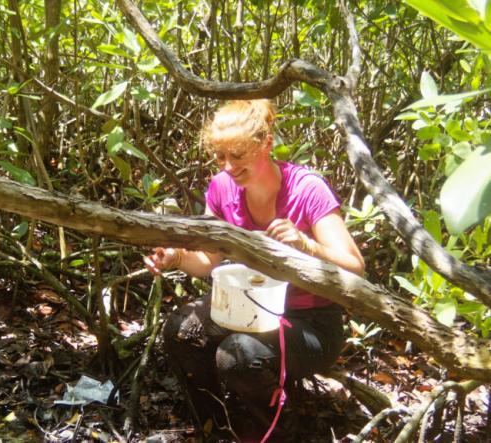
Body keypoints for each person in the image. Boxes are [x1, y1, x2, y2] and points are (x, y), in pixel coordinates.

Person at [144, 99, 364, 440]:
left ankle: (272, 431)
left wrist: (306, 245)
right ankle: (216, 425)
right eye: (221, 156)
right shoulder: (222, 188)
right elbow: (208, 262)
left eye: (238, 154)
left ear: (266, 144)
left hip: (312, 324)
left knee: (241, 355)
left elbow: (355, 270)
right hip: (250, 309)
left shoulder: (306, 190)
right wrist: (175, 258)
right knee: (180, 332)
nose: (228, 166)